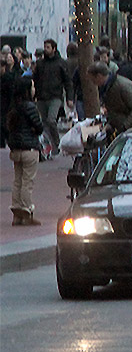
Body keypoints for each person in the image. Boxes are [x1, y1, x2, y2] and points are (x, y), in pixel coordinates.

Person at [6, 78, 43, 226]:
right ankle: (27, 211)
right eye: (32, 86)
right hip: (29, 148)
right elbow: (39, 127)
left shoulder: (13, 107)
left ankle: (17, 212)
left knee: (17, 181)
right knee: (27, 182)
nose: (34, 89)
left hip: (16, 148)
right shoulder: (30, 107)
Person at [86, 61, 132, 139]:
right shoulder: (108, 88)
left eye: (93, 80)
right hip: (129, 129)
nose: (93, 84)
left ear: (99, 76)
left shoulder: (122, 86)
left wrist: (124, 127)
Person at [31, 38, 71, 157]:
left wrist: (69, 97)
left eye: (48, 47)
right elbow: (35, 79)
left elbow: (67, 81)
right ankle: (50, 144)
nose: (46, 49)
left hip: (55, 96)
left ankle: (57, 142)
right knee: (44, 122)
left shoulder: (61, 63)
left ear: (54, 49)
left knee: (51, 120)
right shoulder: (40, 64)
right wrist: (34, 94)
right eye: (45, 47)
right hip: (42, 96)